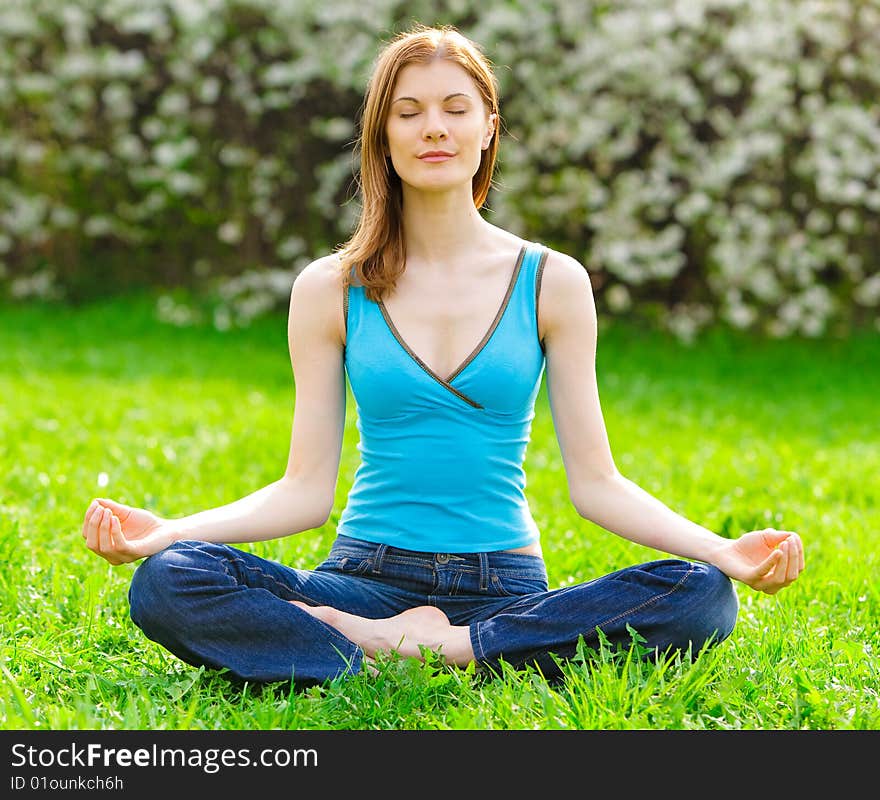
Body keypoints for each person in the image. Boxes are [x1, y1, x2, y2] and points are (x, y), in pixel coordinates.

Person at [81, 24, 804, 687]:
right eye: (409, 112)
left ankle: (421, 648)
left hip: (506, 585)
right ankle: (437, 646)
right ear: (383, 137)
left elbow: (598, 486)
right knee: (171, 580)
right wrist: (167, 532)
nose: (434, 128)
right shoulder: (330, 289)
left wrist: (725, 552)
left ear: (489, 128)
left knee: (700, 596)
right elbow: (303, 493)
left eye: (456, 108)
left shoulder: (553, 282)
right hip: (364, 576)